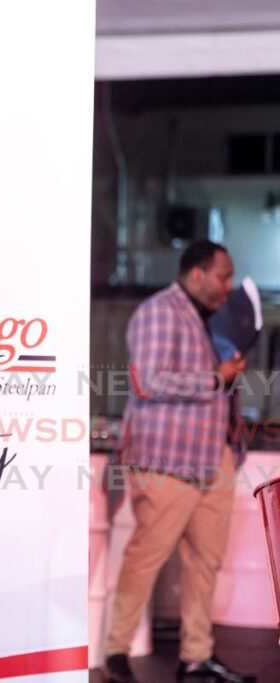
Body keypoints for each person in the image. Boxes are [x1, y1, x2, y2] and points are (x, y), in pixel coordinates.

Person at [104, 241, 255, 683]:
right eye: (223, 276)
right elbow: (149, 380)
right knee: (145, 557)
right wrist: (215, 377)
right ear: (196, 274)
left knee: (205, 561)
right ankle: (116, 653)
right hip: (166, 458)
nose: (229, 286)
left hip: (213, 456)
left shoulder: (212, 321)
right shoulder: (159, 312)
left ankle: (196, 656)